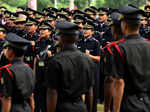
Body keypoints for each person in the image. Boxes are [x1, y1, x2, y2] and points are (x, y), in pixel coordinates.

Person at [104, 5, 150, 112]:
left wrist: (115, 109)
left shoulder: (118, 48)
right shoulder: (148, 45)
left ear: (124, 25)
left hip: (128, 102)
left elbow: (118, 82)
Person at [45, 21, 94, 112]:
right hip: (80, 107)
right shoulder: (87, 59)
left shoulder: (56, 61)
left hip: (62, 107)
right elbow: (89, 90)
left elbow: (52, 92)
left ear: (61, 38)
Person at [0, 33, 35, 112]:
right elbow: (31, 96)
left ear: (11, 51)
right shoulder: (29, 68)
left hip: (13, 108)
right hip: (27, 108)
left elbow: (7, 98)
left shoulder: (8, 70)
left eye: (7, 48)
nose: (5, 51)